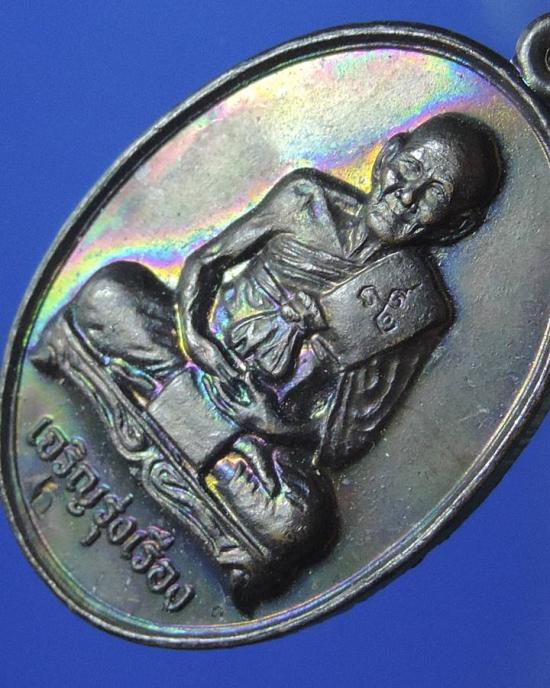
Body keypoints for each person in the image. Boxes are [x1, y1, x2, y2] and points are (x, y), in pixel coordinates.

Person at [32, 113, 503, 598]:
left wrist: (271, 423)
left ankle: (133, 404)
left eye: (435, 195)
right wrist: (196, 338)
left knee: (299, 522)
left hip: (250, 434)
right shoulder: (306, 199)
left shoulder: (418, 305)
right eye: (411, 169)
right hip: (186, 360)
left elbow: (347, 436)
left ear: (457, 226)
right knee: (107, 293)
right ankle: (187, 459)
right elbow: (206, 263)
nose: (406, 196)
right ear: (388, 156)